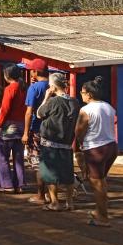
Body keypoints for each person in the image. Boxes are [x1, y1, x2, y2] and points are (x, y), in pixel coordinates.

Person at [75, 76, 118, 226]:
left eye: (82, 92)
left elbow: (79, 131)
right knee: (101, 180)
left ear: (89, 94)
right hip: (111, 146)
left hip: (95, 148)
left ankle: (103, 217)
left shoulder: (86, 110)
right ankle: (100, 210)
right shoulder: (109, 107)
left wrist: (79, 147)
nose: (81, 94)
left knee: (96, 182)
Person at [36, 72, 80, 211]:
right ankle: (69, 202)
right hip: (67, 143)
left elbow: (39, 113)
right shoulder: (74, 101)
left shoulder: (53, 101)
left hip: (50, 142)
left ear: (53, 87)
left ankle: (55, 202)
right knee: (67, 173)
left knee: (50, 173)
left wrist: (46, 97)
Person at [0, 65, 27, 194]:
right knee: (18, 157)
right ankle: (20, 184)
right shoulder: (24, 88)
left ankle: (7, 184)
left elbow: (5, 109)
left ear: (7, 76)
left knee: (3, 156)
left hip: (9, 126)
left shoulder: (9, 89)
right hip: (21, 125)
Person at [22, 60, 50, 205]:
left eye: (31, 70)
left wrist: (26, 132)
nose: (30, 72)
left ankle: (41, 195)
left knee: (38, 162)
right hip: (51, 130)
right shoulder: (52, 87)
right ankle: (51, 195)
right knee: (49, 162)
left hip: (37, 129)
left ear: (36, 72)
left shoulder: (34, 88)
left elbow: (28, 112)